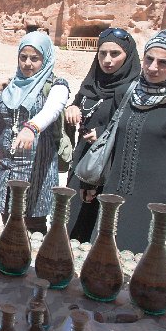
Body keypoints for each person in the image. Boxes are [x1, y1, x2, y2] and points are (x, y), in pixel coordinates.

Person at [101, 30, 166, 256]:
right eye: (149, 59)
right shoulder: (127, 92)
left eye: (164, 62)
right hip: (116, 198)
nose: (153, 67)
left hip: (158, 206)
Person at [0, 31, 70, 233]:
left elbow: (52, 110)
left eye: (35, 58)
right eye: (23, 57)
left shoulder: (57, 86)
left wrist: (31, 127)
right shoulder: (10, 86)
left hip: (37, 172)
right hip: (7, 169)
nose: (27, 64)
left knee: (34, 228)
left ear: (46, 58)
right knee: (8, 225)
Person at [64, 28, 140, 242]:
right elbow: (82, 103)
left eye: (115, 54)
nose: (107, 60)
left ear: (129, 56)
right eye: (102, 53)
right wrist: (72, 108)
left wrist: (106, 136)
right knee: (71, 227)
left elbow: (136, 130)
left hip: (108, 169)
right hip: (82, 165)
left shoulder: (133, 90)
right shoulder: (92, 82)